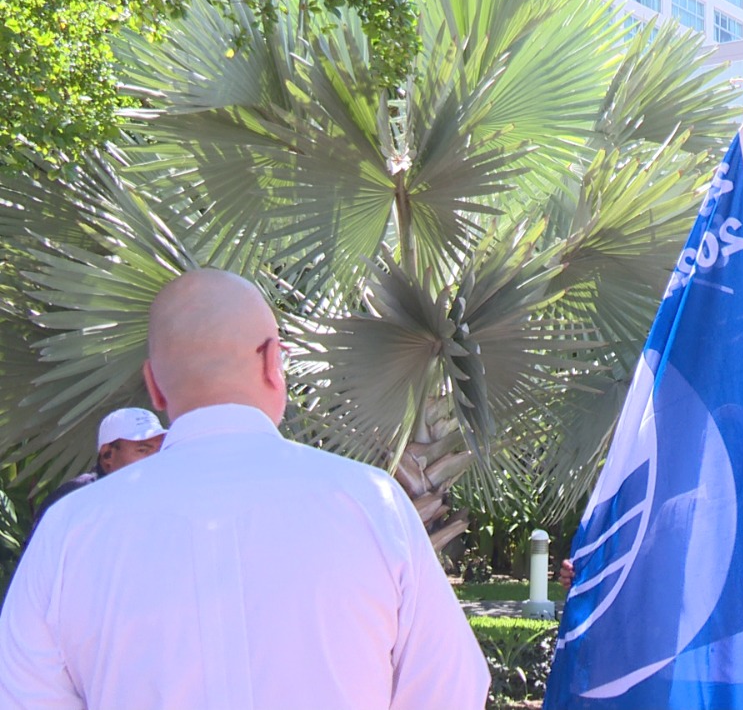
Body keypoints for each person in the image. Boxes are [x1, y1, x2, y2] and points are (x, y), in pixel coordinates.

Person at [0, 268, 488, 709]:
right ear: (274, 362)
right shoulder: (371, 505)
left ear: (155, 385)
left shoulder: (69, 532)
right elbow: (452, 687)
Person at [27, 407, 166, 538]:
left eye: (159, 450)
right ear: (107, 455)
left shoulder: (162, 500)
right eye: (143, 450)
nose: (156, 459)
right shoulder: (73, 499)